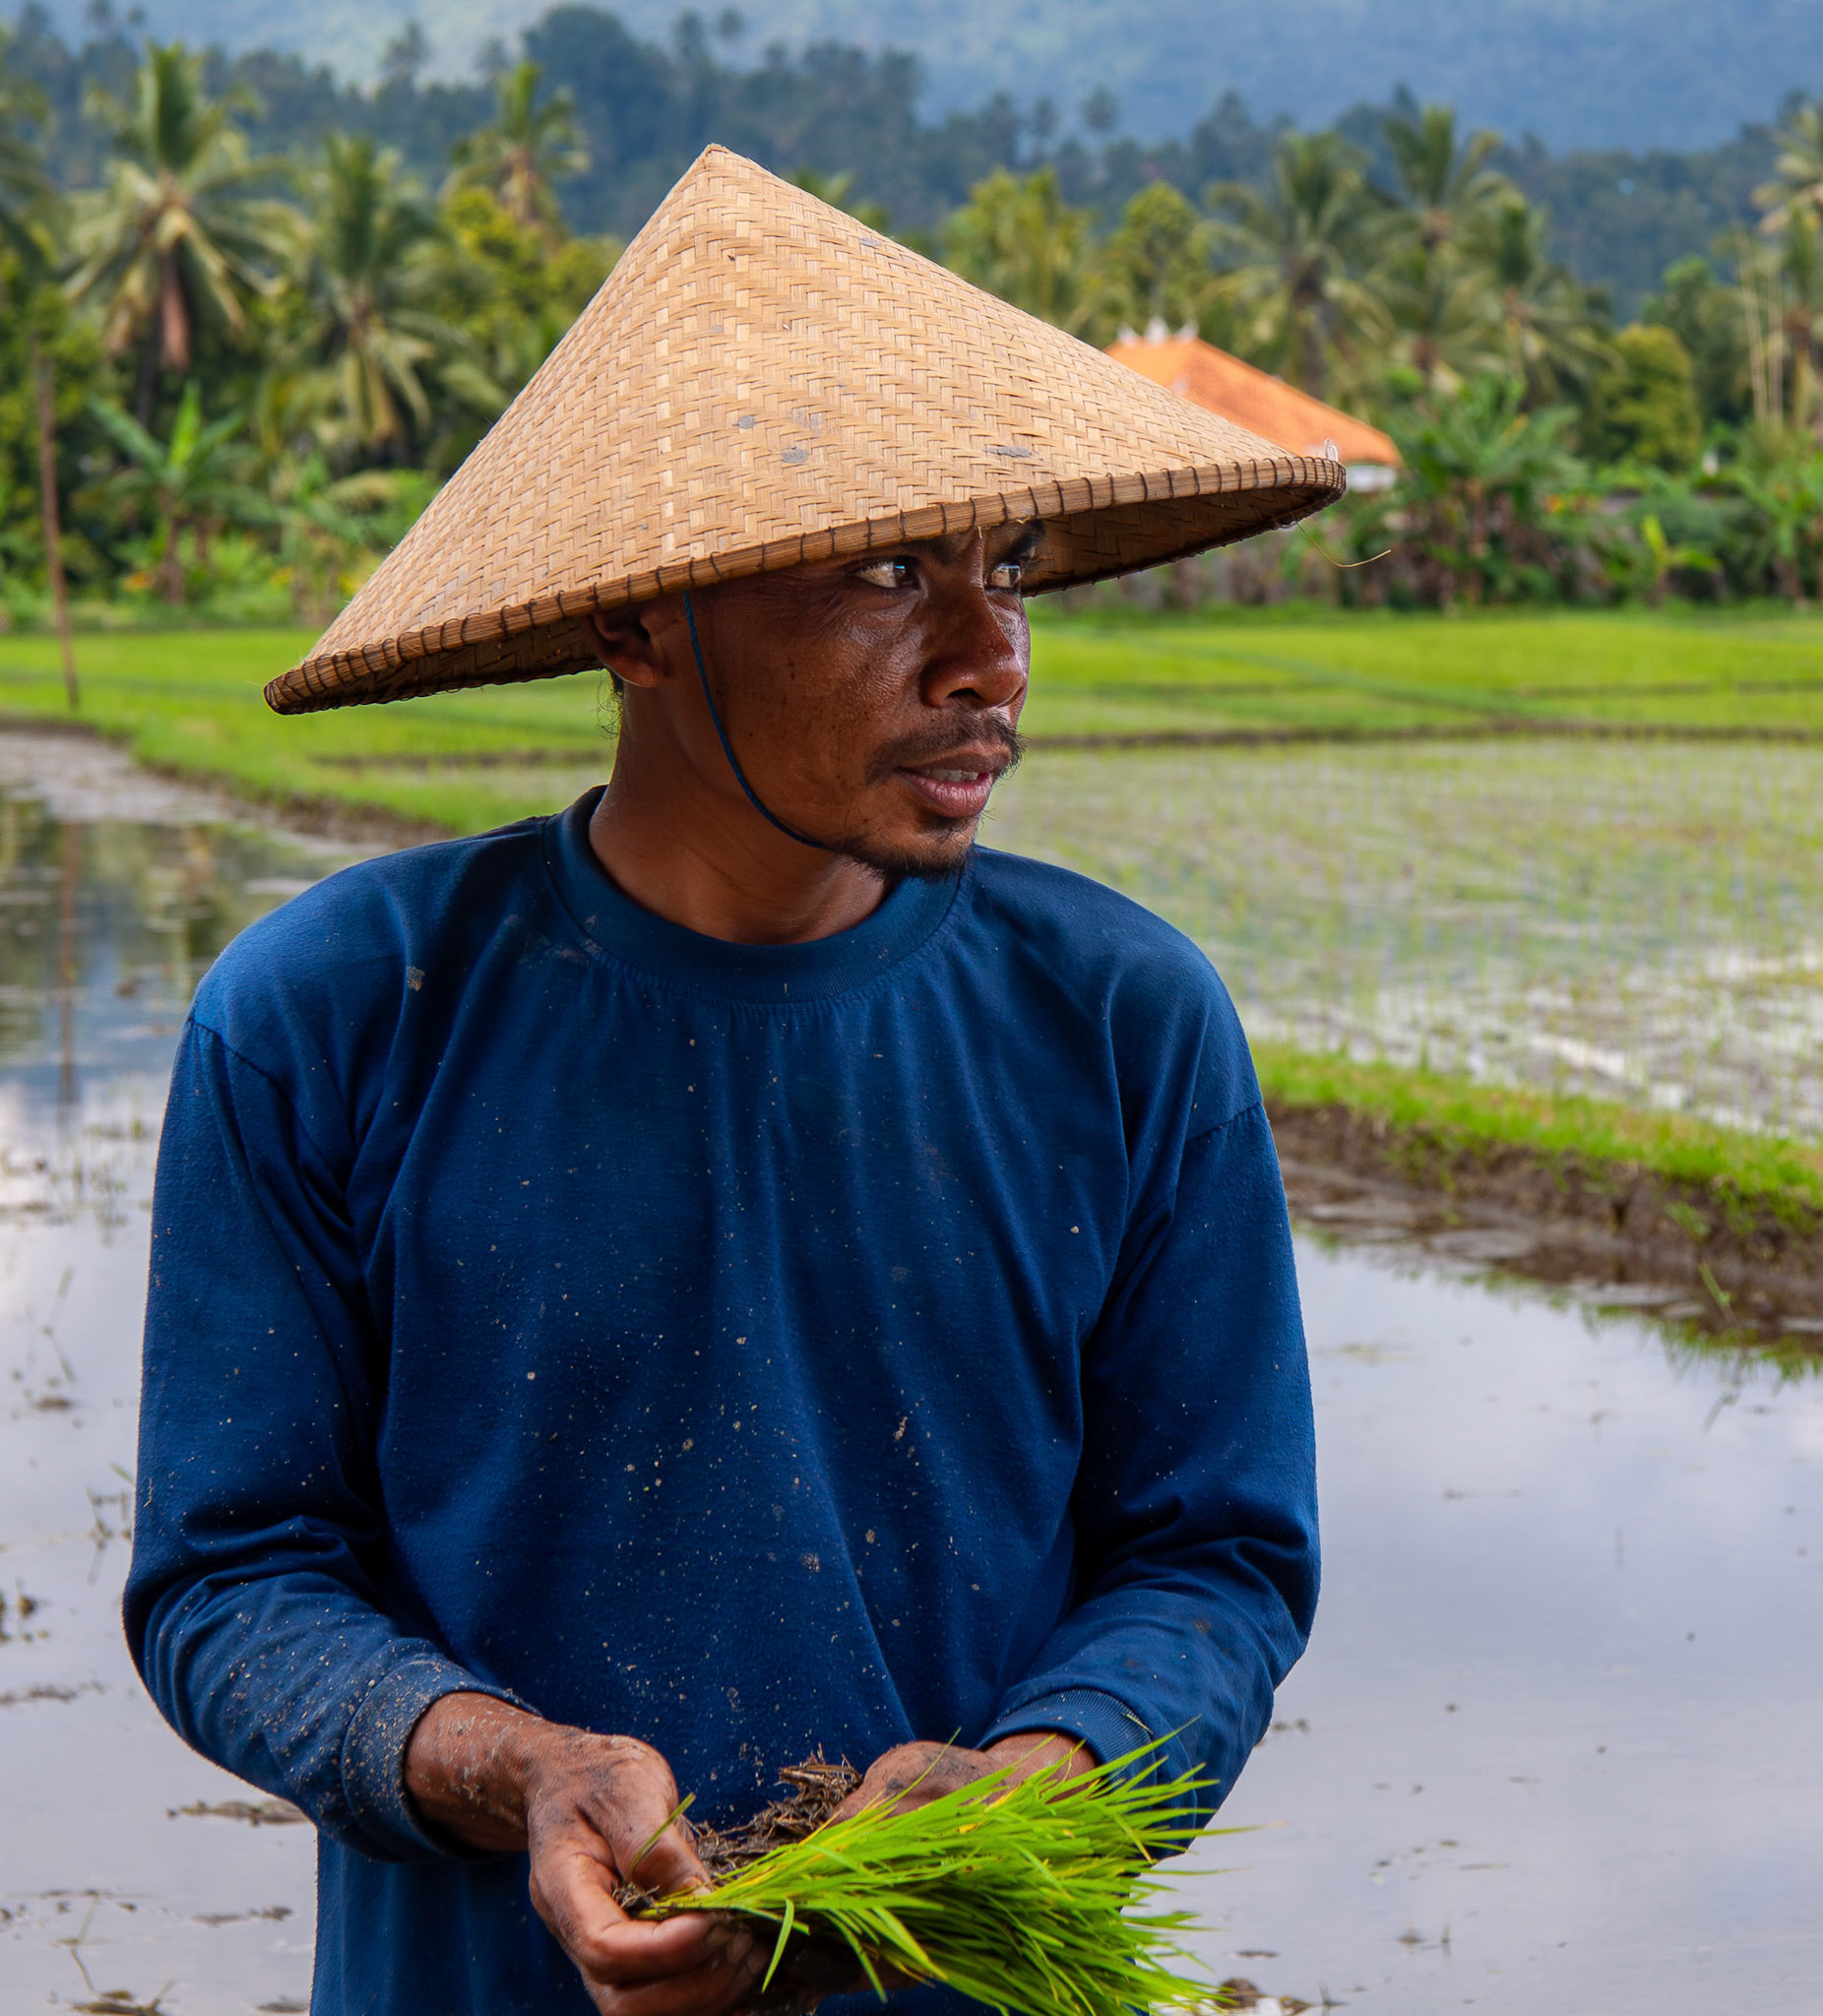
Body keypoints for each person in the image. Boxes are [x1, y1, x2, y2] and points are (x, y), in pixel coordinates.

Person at [126, 148, 1337, 2016]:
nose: (991, 658)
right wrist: (519, 1771)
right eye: (888, 570)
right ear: (639, 621)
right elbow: (232, 1579)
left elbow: (1218, 1558)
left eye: (1008, 568)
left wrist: (1036, 1779)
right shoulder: (333, 1019)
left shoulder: (1124, 1022)